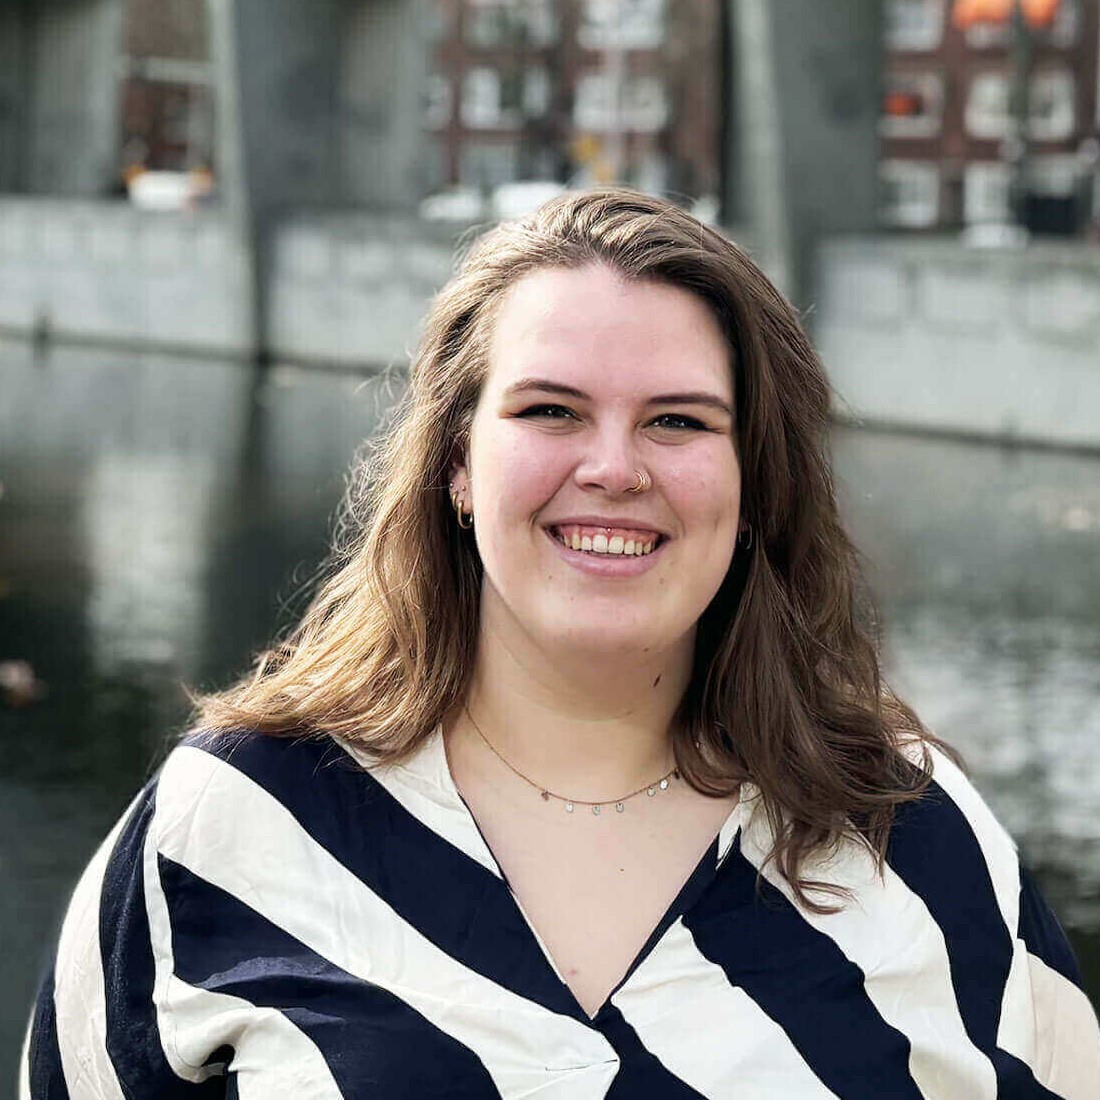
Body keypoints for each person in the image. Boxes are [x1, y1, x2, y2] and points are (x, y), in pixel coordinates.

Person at [21, 190, 1100, 1098]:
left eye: (678, 420)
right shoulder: (231, 822)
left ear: (754, 480)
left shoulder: (916, 839)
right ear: (456, 463)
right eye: (550, 410)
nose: (614, 469)